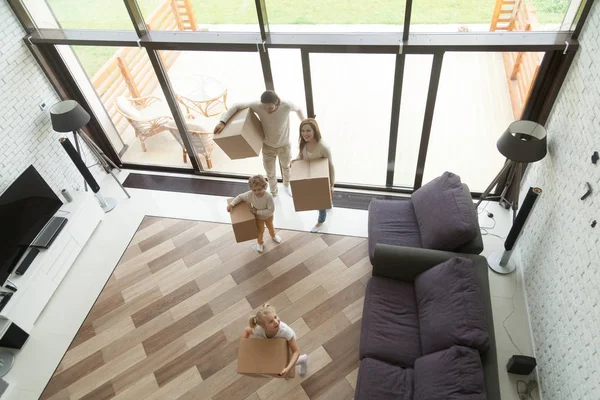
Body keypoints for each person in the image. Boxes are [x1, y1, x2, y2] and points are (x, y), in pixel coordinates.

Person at [214, 90, 305, 197]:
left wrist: (304, 121)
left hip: (284, 146)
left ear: (277, 102)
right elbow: (236, 105)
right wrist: (222, 122)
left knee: (286, 168)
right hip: (268, 146)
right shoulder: (258, 105)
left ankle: (286, 186)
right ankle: (274, 192)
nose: (267, 111)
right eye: (265, 108)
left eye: (270, 108)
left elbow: (299, 109)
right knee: (270, 173)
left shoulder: (286, 105)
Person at [291, 118, 335, 233]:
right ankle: (328, 202)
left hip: (320, 180)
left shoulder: (323, 147)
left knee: (320, 204)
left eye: (308, 131)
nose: (305, 134)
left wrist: (331, 185)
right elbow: (301, 155)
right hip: (310, 177)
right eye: (303, 131)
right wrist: (296, 160)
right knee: (317, 199)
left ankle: (320, 221)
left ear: (315, 131)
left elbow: (331, 166)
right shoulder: (304, 143)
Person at [242, 303, 308, 377]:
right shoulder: (259, 330)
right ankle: (285, 370)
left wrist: (287, 368)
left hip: (287, 342)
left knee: (287, 361)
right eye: (270, 321)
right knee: (277, 363)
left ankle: (303, 359)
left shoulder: (285, 331)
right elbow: (246, 331)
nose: (276, 321)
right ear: (263, 326)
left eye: (275, 317)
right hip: (275, 343)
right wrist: (244, 348)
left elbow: (296, 351)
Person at [227, 174, 281, 253]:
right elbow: (240, 197)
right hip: (258, 218)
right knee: (260, 231)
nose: (257, 192)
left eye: (259, 189)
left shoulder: (268, 196)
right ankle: (260, 242)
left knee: (270, 227)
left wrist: (257, 211)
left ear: (264, 187)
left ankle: (273, 235)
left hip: (269, 216)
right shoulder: (250, 194)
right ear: (251, 189)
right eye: (254, 190)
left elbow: (271, 210)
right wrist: (232, 204)